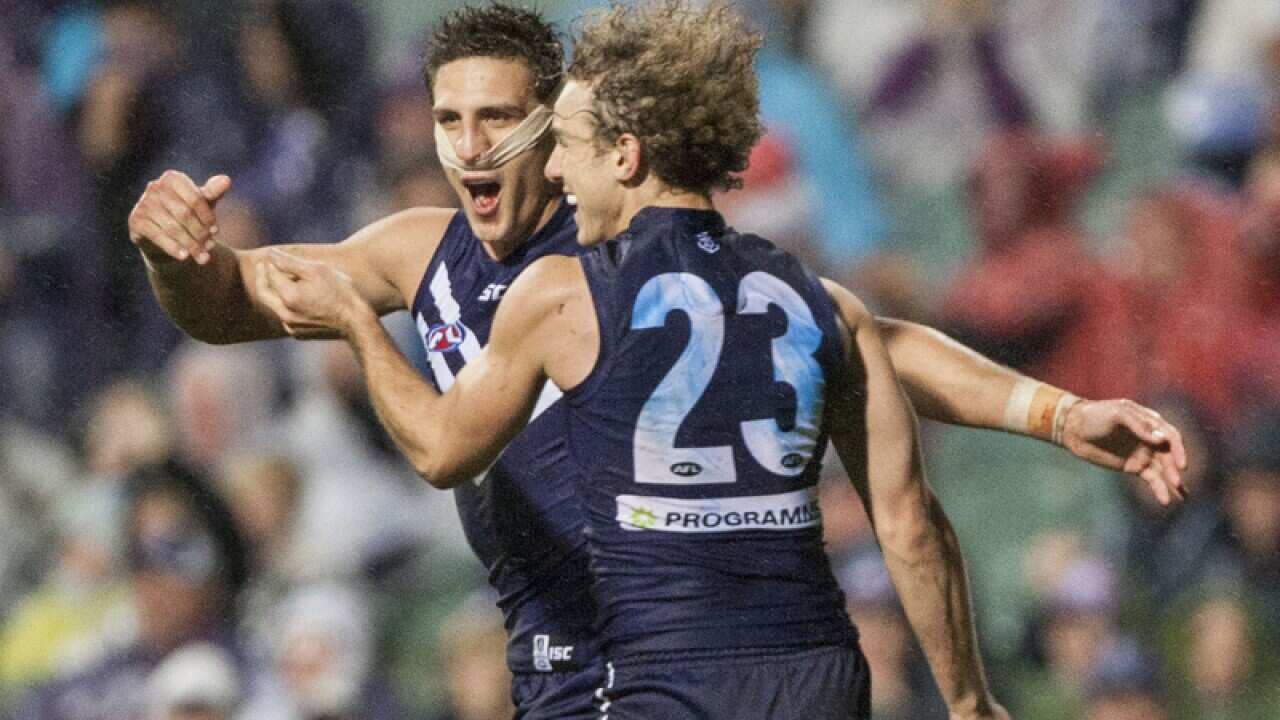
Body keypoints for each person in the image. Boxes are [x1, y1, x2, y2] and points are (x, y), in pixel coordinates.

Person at [127, 3, 1185, 717]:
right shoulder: (415, 252)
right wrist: (173, 252)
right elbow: (238, 299)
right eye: (447, 118)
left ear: (565, 131)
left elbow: (885, 346)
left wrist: (1049, 412)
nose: (465, 146)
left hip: (646, 660)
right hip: (604, 659)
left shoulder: (586, 273)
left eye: (495, 118)